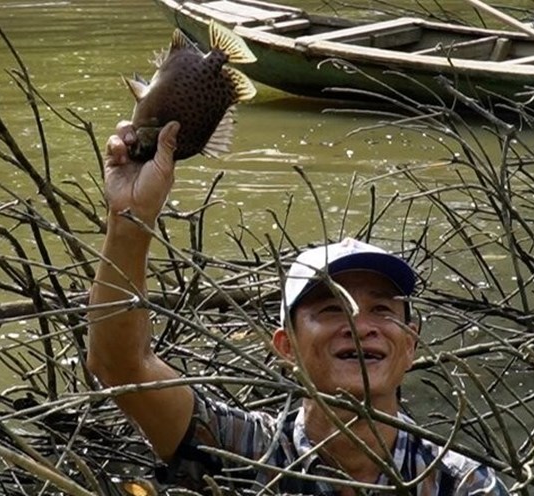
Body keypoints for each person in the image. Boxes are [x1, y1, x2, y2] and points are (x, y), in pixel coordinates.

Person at [87, 121, 510, 495]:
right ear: (286, 346)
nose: (361, 327)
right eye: (331, 310)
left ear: (410, 345)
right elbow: (122, 367)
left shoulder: (461, 483)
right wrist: (130, 217)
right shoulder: (244, 449)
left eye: (381, 311)